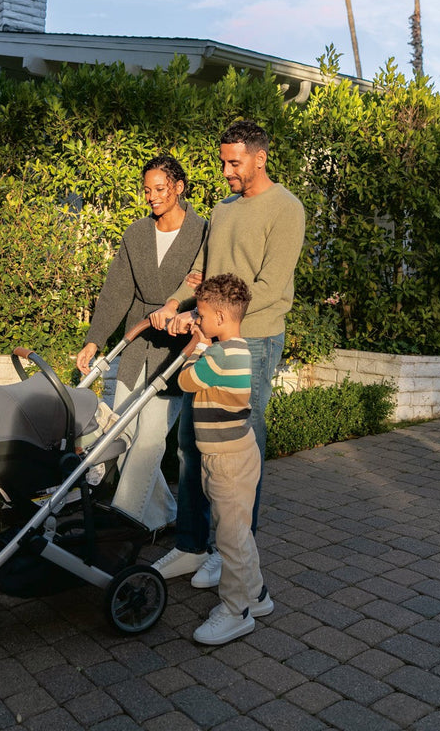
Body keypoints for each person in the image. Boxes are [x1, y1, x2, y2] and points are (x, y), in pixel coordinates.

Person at [150, 120, 305, 584]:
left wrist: (211, 322)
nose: (225, 171)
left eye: (234, 163)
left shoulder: (286, 209)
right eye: (223, 162)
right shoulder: (222, 209)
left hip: (252, 341)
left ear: (260, 157)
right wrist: (175, 303)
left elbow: (269, 287)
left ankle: (233, 552)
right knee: (191, 444)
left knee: (239, 452)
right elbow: (201, 272)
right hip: (208, 335)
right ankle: (191, 545)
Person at [76, 155, 207, 531]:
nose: (152, 196)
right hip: (137, 341)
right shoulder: (135, 234)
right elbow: (116, 291)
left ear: (179, 187)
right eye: (147, 190)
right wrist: (94, 340)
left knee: (149, 438)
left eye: (160, 189)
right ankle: (164, 516)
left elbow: (205, 283)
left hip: (177, 347)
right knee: (122, 433)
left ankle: (125, 522)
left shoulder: (203, 232)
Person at [177, 273, 273, 644]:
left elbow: (185, 381)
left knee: (231, 540)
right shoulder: (238, 349)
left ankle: (236, 612)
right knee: (238, 533)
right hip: (235, 454)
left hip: (227, 462)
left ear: (219, 317)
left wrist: (197, 345)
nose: (198, 320)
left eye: (201, 315)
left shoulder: (218, 355)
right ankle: (257, 594)